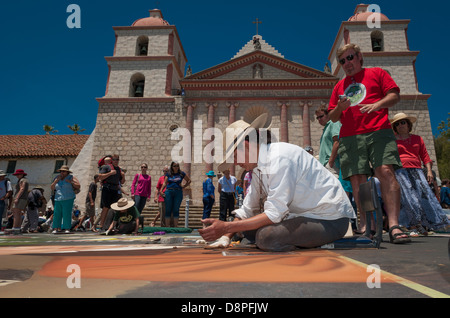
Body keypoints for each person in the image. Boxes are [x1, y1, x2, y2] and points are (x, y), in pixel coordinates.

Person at [199, 114, 355, 251]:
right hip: (304, 217)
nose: (235, 163)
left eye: (234, 157)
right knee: (248, 229)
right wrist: (225, 236)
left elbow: (274, 214)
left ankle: (311, 244)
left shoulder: (279, 158)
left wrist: (226, 226)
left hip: (329, 219)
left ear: (246, 146)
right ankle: (301, 242)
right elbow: (247, 209)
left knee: (267, 237)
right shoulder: (259, 169)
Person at [328, 43, 409, 244]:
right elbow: (332, 116)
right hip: (351, 136)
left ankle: (393, 225)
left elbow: (394, 95)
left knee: (386, 172)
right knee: (357, 180)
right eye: (342, 60)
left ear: (359, 57)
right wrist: (340, 106)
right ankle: (366, 225)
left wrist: (377, 105)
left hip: (379, 131)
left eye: (350, 57)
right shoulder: (339, 86)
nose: (347, 63)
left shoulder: (377, 73)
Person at [391, 112, 450, 235]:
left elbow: (425, 156)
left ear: (408, 125)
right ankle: (412, 226)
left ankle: (427, 225)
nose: (401, 125)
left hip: (417, 171)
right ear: (395, 127)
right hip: (401, 171)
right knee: (409, 199)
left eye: (403, 122)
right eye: (397, 124)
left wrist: (428, 170)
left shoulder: (418, 139)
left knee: (425, 198)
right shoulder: (392, 141)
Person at [98, 154, 125, 230]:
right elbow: (100, 177)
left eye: (117, 160)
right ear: (111, 160)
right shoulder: (106, 167)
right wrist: (110, 173)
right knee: (106, 207)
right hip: (107, 188)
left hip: (115, 189)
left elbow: (122, 182)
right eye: (114, 160)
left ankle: (112, 226)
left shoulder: (119, 169)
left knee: (115, 208)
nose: (116, 161)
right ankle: (101, 225)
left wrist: (123, 176)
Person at [50, 165, 80, 234]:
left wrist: (71, 182)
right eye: (61, 171)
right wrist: (55, 181)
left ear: (67, 172)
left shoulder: (71, 177)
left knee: (66, 214)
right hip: (58, 198)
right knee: (57, 214)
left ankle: (67, 228)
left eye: (64, 171)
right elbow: (52, 188)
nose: (62, 173)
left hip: (68, 198)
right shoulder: (57, 178)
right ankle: (55, 228)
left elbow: (78, 186)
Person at [160, 161, 191, 227]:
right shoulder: (169, 174)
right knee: (168, 209)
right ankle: (167, 226)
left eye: (177, 166)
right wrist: (161, 190)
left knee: (176, 209)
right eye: (174, 166)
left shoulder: (181, 173)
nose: (176, 167)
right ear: (172, 167)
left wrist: (184, 186)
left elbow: (189, 181)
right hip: (169, 191)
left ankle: (175, 226)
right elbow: (165, 183)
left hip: (178, 192)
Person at [315, 104, 341, 178]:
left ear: (328, 115)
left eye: (321, 116)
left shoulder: (334, 123)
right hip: (326, 164)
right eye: (317, 118)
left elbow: (337, 142)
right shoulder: (327, 127)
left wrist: (331, 161)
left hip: (332, 165)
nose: (319, 119)